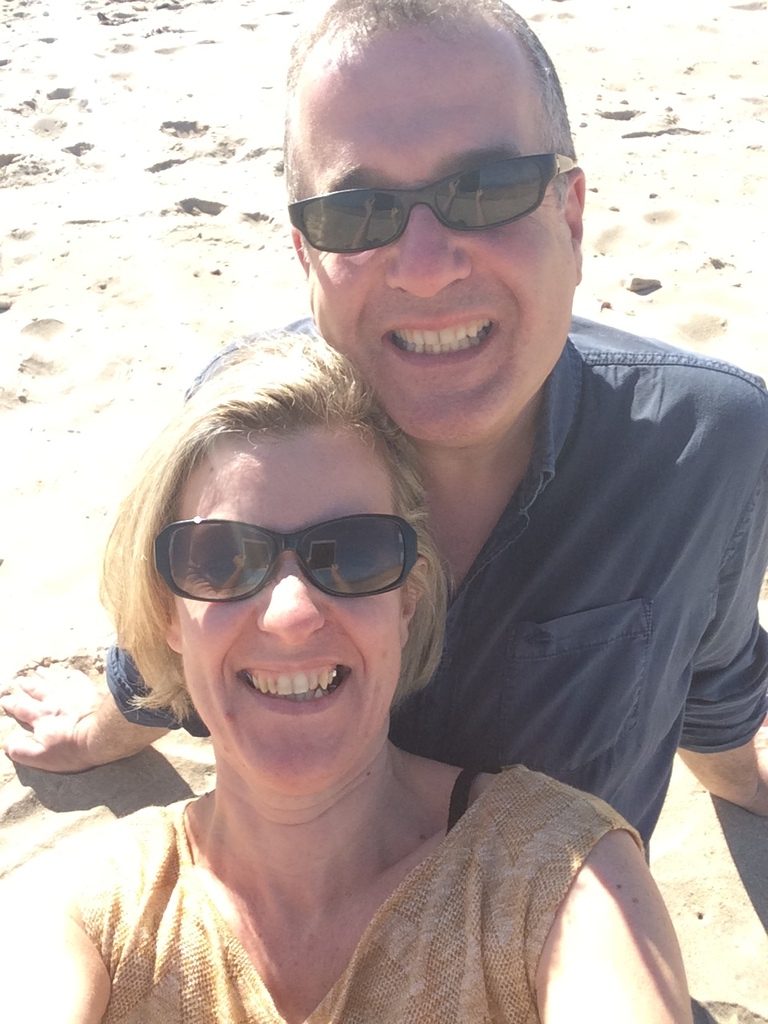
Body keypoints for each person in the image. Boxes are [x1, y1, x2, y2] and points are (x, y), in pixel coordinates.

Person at [2, 0, 767, 847]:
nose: (426, 269)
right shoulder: (249, 431)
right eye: (358, 214)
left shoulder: (706, 444)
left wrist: (742, 780)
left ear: (571, 215)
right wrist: (104, 728)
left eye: (488, 191)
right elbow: (184, 629)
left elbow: (712, 657)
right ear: (306, 254)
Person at [1, 339, 692, 1022]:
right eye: (223, 559)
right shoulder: (91, 915)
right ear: (166, 613)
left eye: (355, 554)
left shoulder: (560, 878)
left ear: (408, 599)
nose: (292, 614)